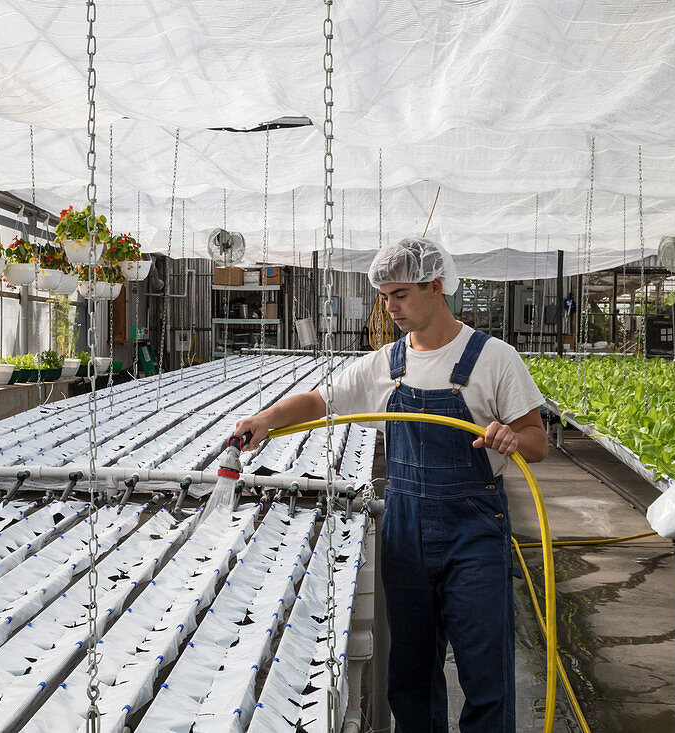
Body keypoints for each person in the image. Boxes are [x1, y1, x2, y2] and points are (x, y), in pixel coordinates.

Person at [232, 237, 548, 732]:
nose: (390, 306)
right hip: (406, 534)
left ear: (436, 286)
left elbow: (537, 441)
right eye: (384, 295)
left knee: (486, 673)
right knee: (411, 676)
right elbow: (319, 402)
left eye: (400, 293)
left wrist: (511, 436)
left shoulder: (493, 359)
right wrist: (266, 417)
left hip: (475, 534)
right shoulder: (386, 365)